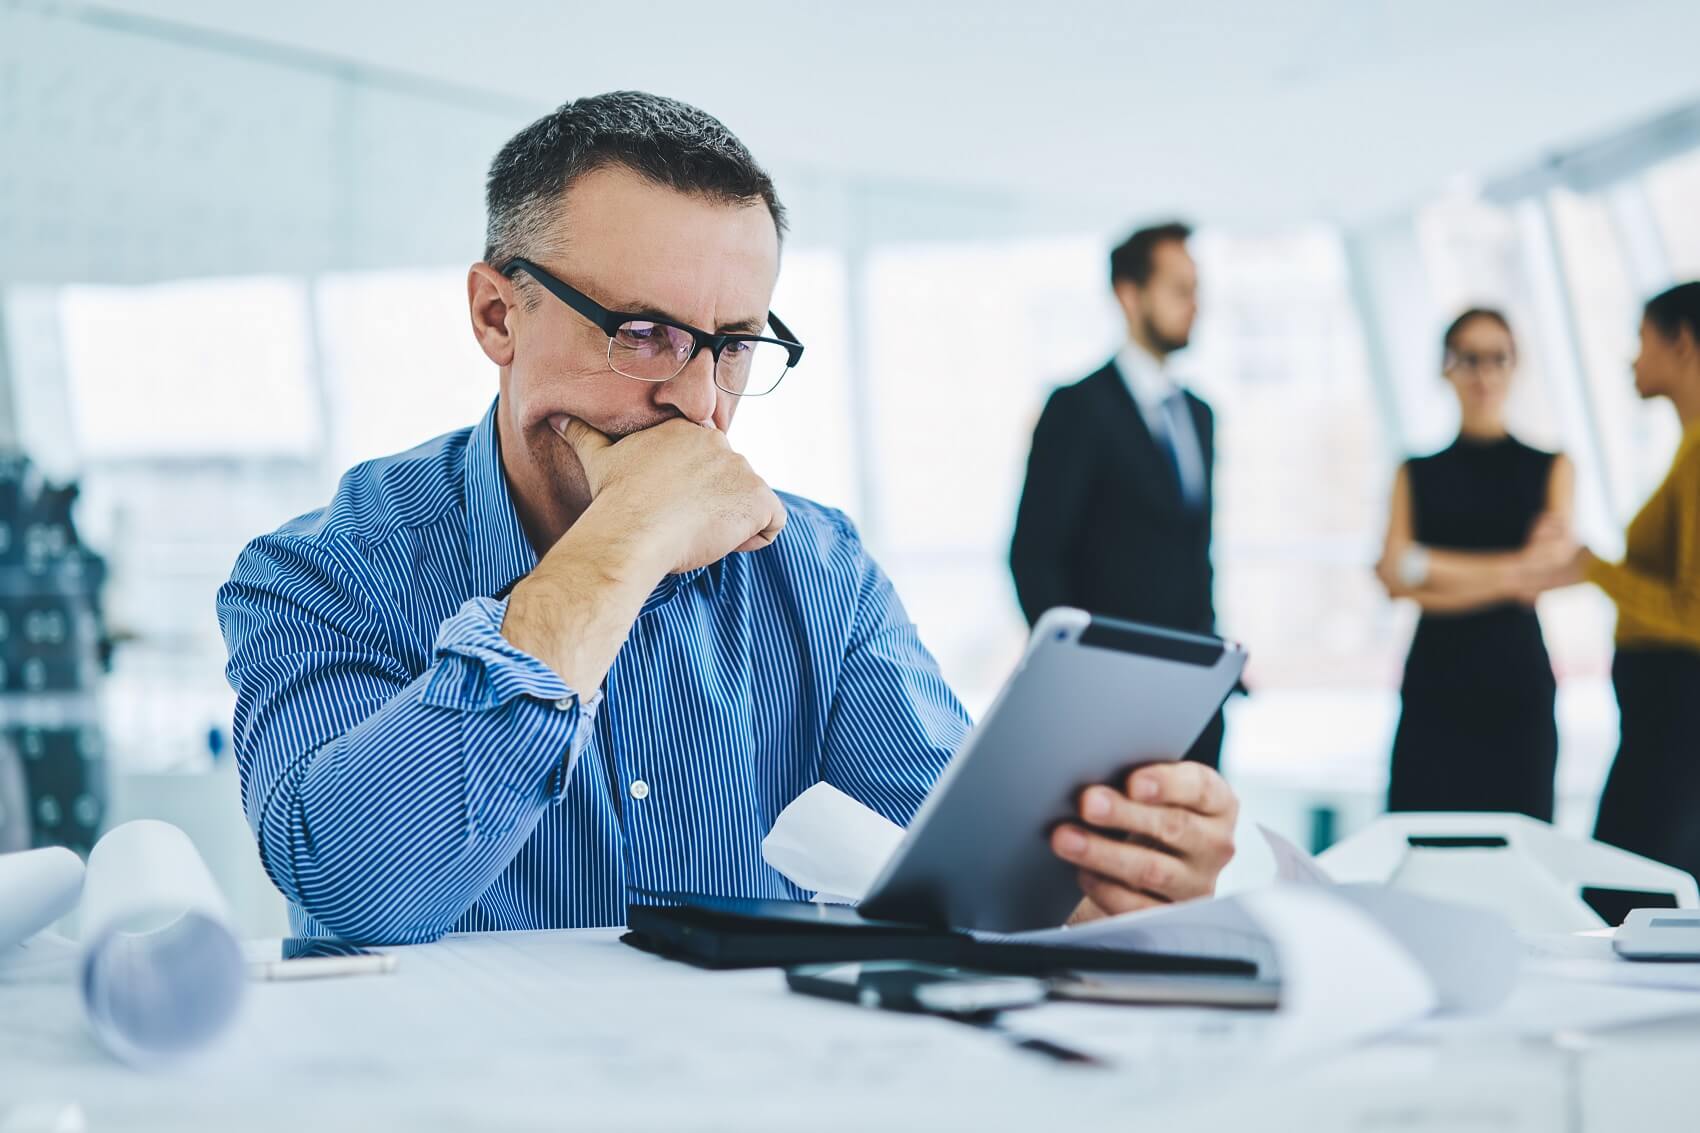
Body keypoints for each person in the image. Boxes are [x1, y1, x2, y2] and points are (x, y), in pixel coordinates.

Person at [217, 92, 1239, 945]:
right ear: (497, 314)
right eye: (642, 332)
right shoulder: (324, 571)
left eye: (734, 345)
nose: (699, 403)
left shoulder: (819, 570)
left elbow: (966, 881)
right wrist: (620, 546)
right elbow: (355, 888)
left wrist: (1108, 876)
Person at [1009, 222, 1228, 767]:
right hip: (1105, 702)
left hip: (1195, 696)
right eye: (1179, 289)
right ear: (1130, 295)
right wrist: (1076, 676)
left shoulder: (1199, 414)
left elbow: (1192, 553)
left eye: (1196, 289)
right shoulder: (1076, 408)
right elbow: (1034, 555)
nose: (1195, 304)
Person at [1375, 309, 1574, 821]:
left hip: (1516, 685)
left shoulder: (1552, 466)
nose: (1483, 374)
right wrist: (1511, 574)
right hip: (1435, 685)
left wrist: (1429, 568)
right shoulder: (1415, 472)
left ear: (1515, 365)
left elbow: (1540, 578)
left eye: (1497, 358)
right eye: (1469, 359)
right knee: (1422, 837)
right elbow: (1393, 575)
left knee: (1520, 841)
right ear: (1446, 367)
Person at [1530, 282, 1700, 880]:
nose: (1633, 359)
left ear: (1682, 343)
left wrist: (1595, 567)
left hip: (1676, 722)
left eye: (1642, 339)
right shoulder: (1687, 449)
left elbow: (1693, 614)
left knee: (1632, 888)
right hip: (1661, 719)